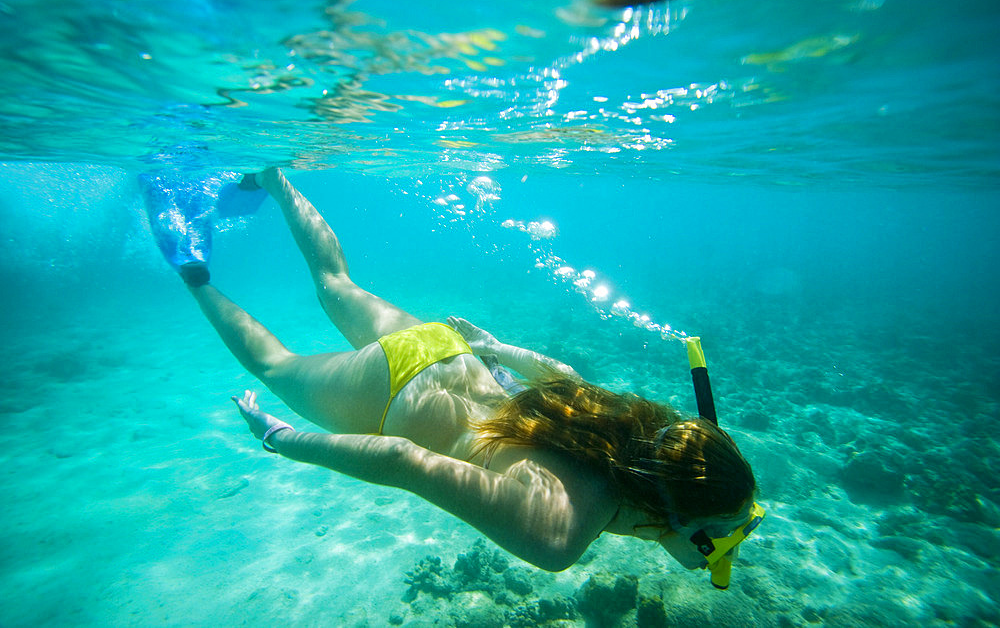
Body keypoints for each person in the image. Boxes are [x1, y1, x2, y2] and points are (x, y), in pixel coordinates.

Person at [158, 167, 757, 573]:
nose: (720, 559)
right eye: (726, 540)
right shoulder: (558, 535)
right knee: (273, 364)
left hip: (445, 350)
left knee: (337, 283)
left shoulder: (623, 431)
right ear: (688, 521)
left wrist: (496, 348)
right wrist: (280, 439)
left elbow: (564, 374)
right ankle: (189, 266)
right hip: (395, 395)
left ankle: (273, 178)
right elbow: (404, 461)